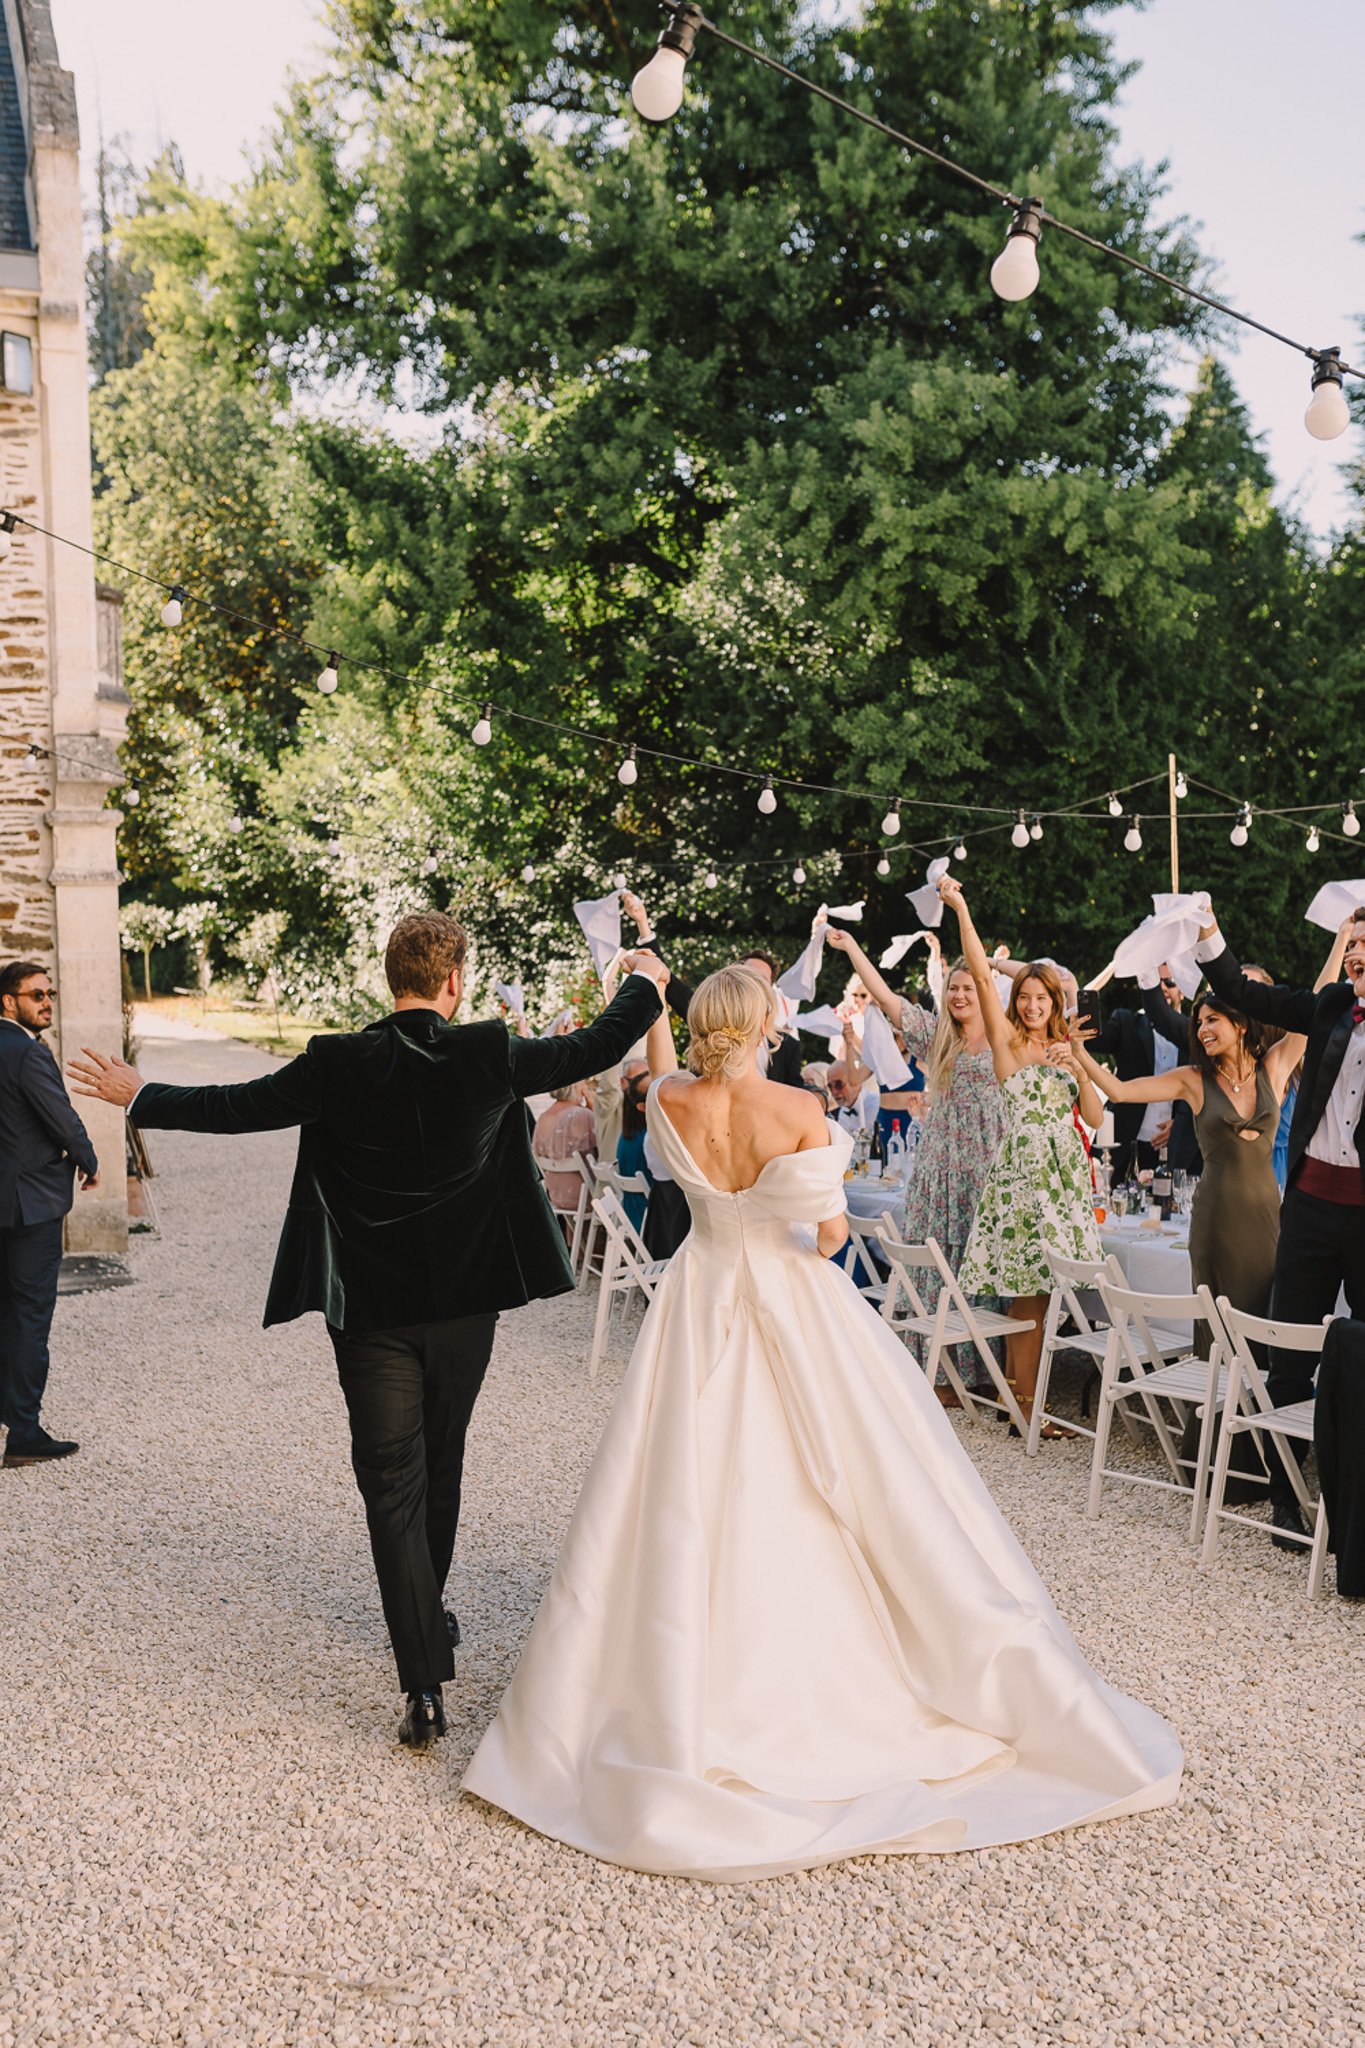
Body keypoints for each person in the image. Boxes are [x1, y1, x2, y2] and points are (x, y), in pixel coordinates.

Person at [462, 964, 1181, 1877]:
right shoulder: (796, 1112)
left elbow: (683, 1171)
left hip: (700, 1297)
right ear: (764, 1021)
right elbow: (832, 1235)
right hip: (786, 1293)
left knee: (679, 1472)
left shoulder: (673, 1096)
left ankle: (663, 1663)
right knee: (850, 1474)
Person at [68, 914, 668, 1748]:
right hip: (464, 1308)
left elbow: (237, 1108)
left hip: (371, 1317)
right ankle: (430, 1619)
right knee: (444, 1456)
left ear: (390, 979)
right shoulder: (489, 1053)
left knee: (391, 1484)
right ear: (454, 980)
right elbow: (597, 1045)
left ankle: (422, 1679)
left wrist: (141, 1095)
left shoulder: (336, 1061)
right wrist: (647, 979)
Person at [1193, 902, 1365, 1545]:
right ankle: (1286, 1499)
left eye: (1364, 945)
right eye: (1352, 943)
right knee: (1286, 1349)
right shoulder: (1324, 1008)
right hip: (1311, 1210)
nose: (1354, 953)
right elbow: (1239, 990)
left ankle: (1350, 1502)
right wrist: (1209, 928)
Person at [936, 878, 1105, 1437]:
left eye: (1043, 998)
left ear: (1056, 1002)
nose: (1033, 1005)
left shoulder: (1066, 1046)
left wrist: (1077, 1066)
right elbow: (983, 972)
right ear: (1016, 1002)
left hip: (1062, 1176)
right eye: (1026, 996)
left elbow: (1097, 1119)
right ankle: (1027, 1410)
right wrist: (962, 907)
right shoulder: (1007, 1038)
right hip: (1022, 1175)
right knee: (1027, 1296)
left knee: (1034, 1296)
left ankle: (1021, 1406)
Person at [1071, 993, 1302, 1349]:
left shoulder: (1272, 1069)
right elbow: (1118, 1091)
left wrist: (1344, 936)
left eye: (1212, 1020)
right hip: (1216, 1219)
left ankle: (1257, 1399)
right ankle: (1218, 1399)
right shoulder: (1193, 1079)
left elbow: (1311, 1012)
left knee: (1262, 1314)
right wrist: (1080, 1053)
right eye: (1199, 1023)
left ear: (1240, 1025)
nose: (1202, 1029)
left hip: (1266, 1217)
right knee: (1218, 1322)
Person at [0, 960, 101, 1466]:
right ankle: (22, 1434)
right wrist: (88, 1158)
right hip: (30, 1206)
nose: (46, 1002)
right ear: (7, 1002)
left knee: (5, 1312)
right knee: (29, 1315)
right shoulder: (27, 1053)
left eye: (50, 993)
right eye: (36, 994)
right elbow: (60, 1117)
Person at [621, 889, 808, 1086]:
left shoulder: (788, 1046)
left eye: (760, 979)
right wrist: (643, 923)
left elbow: (796, 1088)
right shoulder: (708, 1015)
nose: (752, 982)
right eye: (747, 975)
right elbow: (668, 982)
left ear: (769, 991)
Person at [530, 1082, 597, 1218]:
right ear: (573, 1087)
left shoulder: (544, 1117)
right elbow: (605, 1143)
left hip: (556, 1195)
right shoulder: (581, 1115)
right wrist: (595, 1109)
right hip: (585, 1196)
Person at [616, 1062, 651, 1233]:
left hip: (631, 1217)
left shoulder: (626, 1137)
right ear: (643, 1107)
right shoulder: (648, 1141)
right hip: (647, 1221)